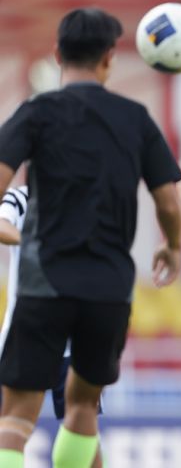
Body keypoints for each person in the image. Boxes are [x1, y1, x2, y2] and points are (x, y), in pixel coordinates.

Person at [0, 7, 181, 468]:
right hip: (108, 287)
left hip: (44, 282)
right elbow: (167, 202)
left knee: (16, 417)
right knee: (82, 408)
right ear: (109, 59)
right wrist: (173, 245)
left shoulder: (36, 112)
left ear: (57, 55)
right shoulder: (135, 118)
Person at [0, 186, 104, 468]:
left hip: (72, 341)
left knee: (83, 429)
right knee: (11, 424)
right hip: (24, 337)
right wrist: (35, 241)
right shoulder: (22, 196)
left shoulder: (86, 200)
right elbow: (2, 225)